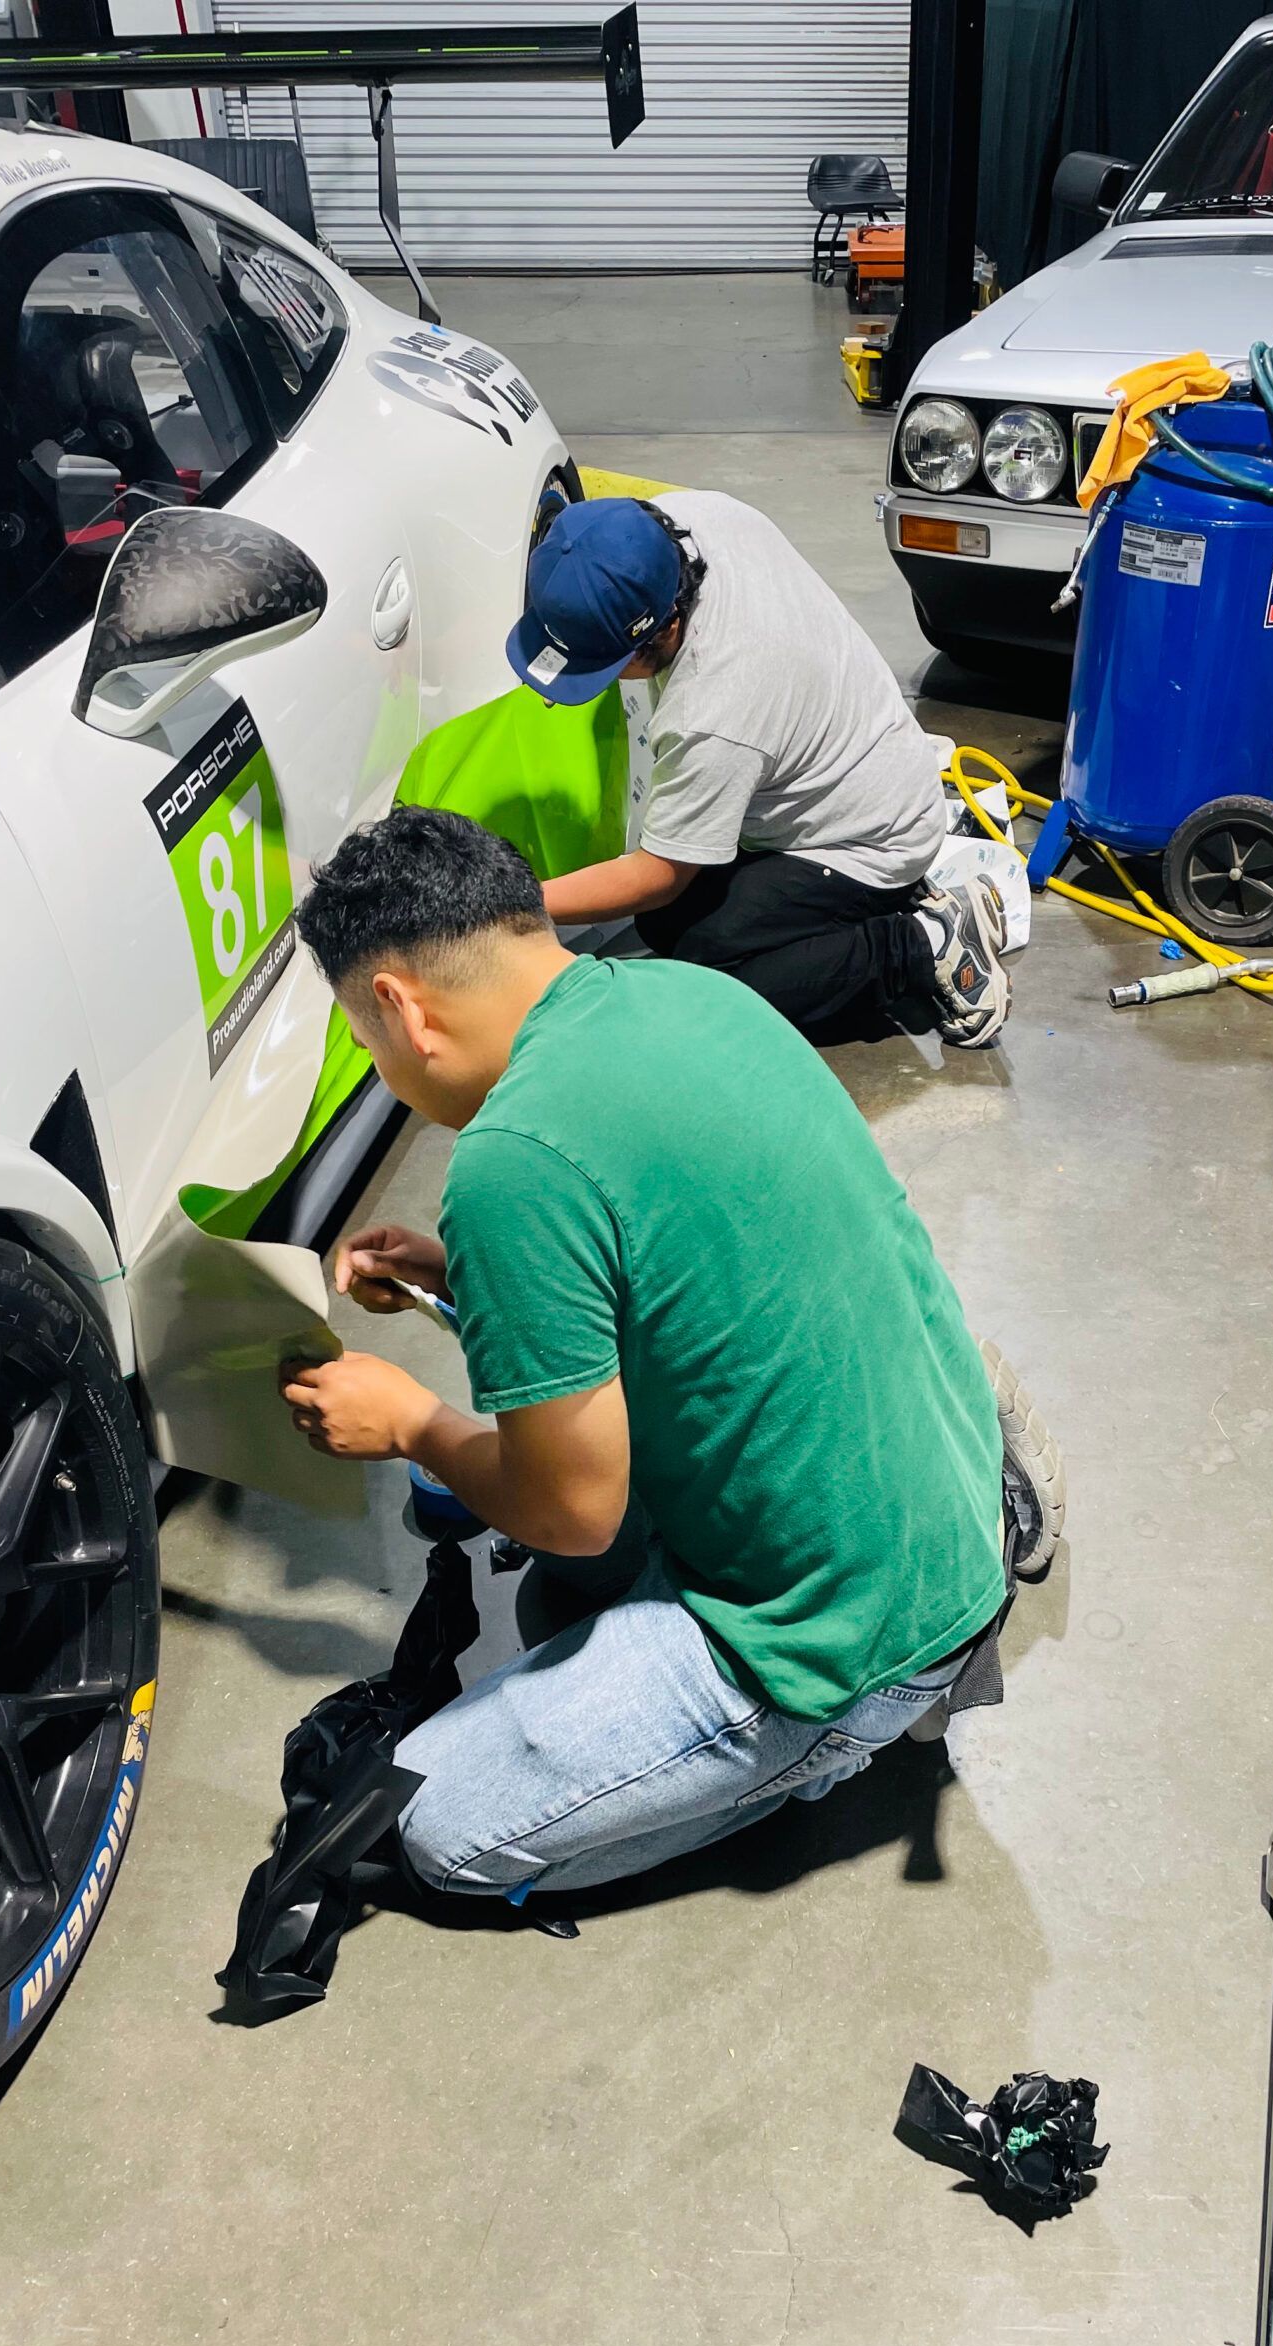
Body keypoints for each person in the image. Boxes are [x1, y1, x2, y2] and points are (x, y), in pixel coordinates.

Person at [280, 805, 1020, 1900]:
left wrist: (412, 1426)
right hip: (933, 1501)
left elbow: (571, 1511)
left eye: (363, 1036)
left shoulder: (511, 1161)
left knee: (438, 1827)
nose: (374, 1060)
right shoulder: (693, 994)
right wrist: (466, 1274)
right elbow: (672, 1253)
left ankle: (829, 1746)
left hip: (840, 1638)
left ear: (401, 1006)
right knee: (564, 1580)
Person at [506, 491, 1012, 1048]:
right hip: (853, 757)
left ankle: (920, 943)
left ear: (663, 631)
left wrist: (511, 902)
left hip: (869, 839)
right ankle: (880, 914)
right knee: (663, 927)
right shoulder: (684, 521)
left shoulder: (712, 708)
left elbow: (659, 876)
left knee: (708, 982)